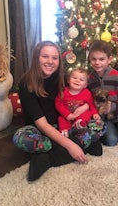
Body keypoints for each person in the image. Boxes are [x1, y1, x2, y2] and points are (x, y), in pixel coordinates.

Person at [13, 41, 102, 182]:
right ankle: (81, 145)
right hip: (40, 130)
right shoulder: (26, 84)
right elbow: (42, 124)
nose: (50, 61)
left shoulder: (61, 77)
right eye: (45, 56)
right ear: (37, 57)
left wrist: (85, 107)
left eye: (54, 58)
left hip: (66, 126)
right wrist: (71, 145)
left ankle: (48, 158)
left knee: (100, 126)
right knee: (19, 137)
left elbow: (80, 95)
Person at [55, 67, 101, 137]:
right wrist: (67, 114)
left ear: (85, 85)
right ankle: (65, 131)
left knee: (87, 113)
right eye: (74, 78)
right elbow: (58, 104)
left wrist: (95, 113)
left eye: (81, 80)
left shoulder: (86, 93)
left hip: (80, 115)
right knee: (61, 119)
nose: (77, 81)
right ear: (68, 80)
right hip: (67, 115)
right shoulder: (63, 92)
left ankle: (78, 125)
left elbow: (91, 105)